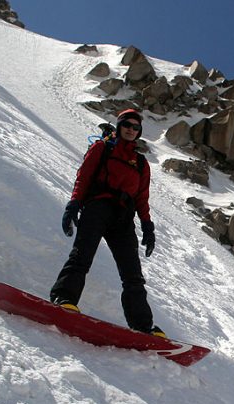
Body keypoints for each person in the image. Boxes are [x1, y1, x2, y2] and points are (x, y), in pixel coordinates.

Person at [50, 109, 164, 337]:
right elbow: (84, 176)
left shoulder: (141, 163)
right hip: (97, 207)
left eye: (135, 127)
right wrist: (74, 204)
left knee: (132, 274)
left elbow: (142, 198)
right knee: (82, 256)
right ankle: (64, 299)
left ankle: (142, 326)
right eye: (127, 125)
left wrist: (147, 225)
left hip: (123, 217)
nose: (131, 130)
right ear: (120, 126)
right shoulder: (102, 148)